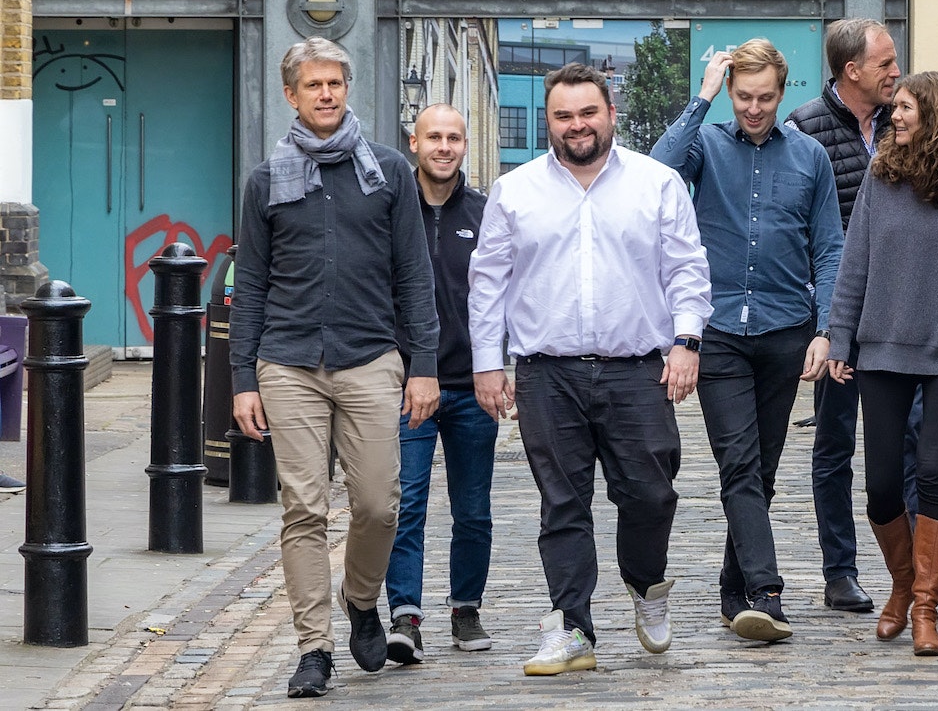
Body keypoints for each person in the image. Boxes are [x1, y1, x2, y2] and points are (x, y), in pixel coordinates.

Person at [469, 63, 712, 676]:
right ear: (549, 122)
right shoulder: (516, 189)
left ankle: (647, 584)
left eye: (588, 113)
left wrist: (687, 342)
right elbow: (487, 282)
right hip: (546, 374)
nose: (577, 125)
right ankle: (573, 627)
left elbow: (688, 268)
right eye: (563, 116)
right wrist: (486, 363)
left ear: (610, 114)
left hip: (639, 371)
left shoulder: (657, 184)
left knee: (651, 494)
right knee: (563, 502)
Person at [230, 37, 440, 699]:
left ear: (348, 90)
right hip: (287, 364)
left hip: (371, 359)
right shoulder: (266, 180)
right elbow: (252, 286)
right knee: (304, 509)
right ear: (290, 95)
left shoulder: (389, 172)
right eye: (313, 85)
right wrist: (242, 379)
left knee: (380, 503)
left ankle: (359, 597)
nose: (326, 94)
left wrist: (424, 364)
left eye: (336, 84)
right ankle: (314, 648)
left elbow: (414, 275)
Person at [651, 38, 843, 643]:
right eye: (742, 97)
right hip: (720, 333)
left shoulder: (810, 157)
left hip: (787, 332)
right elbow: (657, 170)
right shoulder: (705, 145)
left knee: (760, 470)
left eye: (764, 98)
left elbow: (830, 248)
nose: (753, 109)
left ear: (783, 93)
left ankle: (734, 590)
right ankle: (767, 590)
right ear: (729, 93)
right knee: (738, 464)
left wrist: (827, 328)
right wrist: (702, 96)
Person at [826, 72, 938, 658]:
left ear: (933, 113)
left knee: (933, 471)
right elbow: (855, 264)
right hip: (882, 348)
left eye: (903, 108)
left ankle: (925, 605)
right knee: (882, 486)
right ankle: (903, 582)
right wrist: (839, 341)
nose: (894, 116)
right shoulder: (881, 174)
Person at [786, 18, 938, 613]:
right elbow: (801, 235)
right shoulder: (804, 129)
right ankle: (840, 569)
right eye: (886, 64)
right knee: (836, 444)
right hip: (842, 317)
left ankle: (920, 570)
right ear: (851, 71)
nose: (896, 72)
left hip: (902, 321)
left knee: (913, 444)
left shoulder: (906, 120)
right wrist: (826, 323)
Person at [383, 104, 497, 665]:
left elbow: (504, 298)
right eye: (434, 137)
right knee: (405, 505)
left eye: (454, 137)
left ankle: (465, 608)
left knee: (473, 509)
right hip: (406, 388)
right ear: (414, 142)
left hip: (472, 387)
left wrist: (502, 367)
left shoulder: (484, 212)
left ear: (464, 145)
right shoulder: (390, 213)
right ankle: (405, 616)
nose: (444, 147)